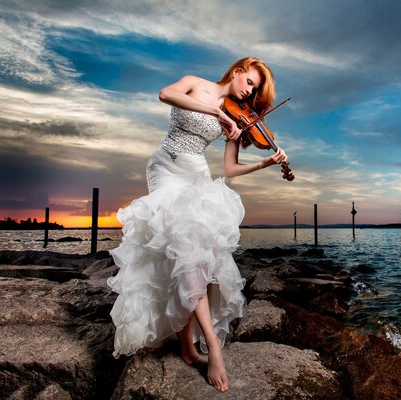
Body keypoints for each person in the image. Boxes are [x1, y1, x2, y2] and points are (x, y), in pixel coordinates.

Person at [107, 57, 288, 393]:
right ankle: (202, 345)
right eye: (249, 83)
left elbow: (230, 169)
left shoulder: (237, 115)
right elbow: (165, 94)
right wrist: (217, 113)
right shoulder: (195, 83)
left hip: (196, 176)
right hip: (164, 169)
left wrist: (264, 161)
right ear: (236, 72)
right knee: (179, 249)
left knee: (192, 255)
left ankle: (197, 345)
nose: (249, 93)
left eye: (255, 91)